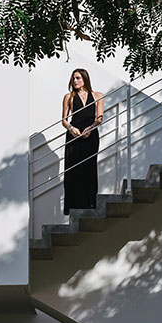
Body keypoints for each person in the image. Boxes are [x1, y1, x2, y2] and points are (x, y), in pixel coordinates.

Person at [61, 68, 103, 215]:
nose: (75, 81)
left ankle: (90, 205)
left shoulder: (97, 95)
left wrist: (90, 129)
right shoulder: (69, 97)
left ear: (85, 78)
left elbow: (99, 118)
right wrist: (72, 129)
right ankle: (73, 208)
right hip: (74, 136)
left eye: (78, 78)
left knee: (89, 168)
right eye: (73, 78)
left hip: (90, 135)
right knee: (73, 169)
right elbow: (64, 120)